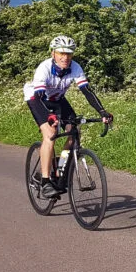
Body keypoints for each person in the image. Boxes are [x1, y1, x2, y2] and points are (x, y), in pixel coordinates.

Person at [24, 35, 113, 198]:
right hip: (37, 99)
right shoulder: (44, 68)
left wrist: (102, 111)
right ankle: (45, 182)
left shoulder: (75, 67)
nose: (65, 57)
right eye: (61, 53)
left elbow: (87, 91)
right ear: (53, 54)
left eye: (69, 54)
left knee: (74, 132)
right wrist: (49, 116)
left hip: (58, 100)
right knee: (50, 134)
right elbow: (39, 96)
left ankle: (60, 166)